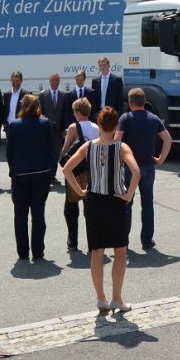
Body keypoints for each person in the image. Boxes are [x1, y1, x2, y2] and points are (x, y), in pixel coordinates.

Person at [62, 107, 140, 315]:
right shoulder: (122, 147)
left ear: (99, 123)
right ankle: (117, 298)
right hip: (115, 201)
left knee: (97, 252)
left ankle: (101, 298)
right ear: (115, 126)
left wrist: (80, 191)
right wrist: (129, 194)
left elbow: (66, 169)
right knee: (120, 251)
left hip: (94, 201)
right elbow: (136, 172)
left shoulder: (88, 147)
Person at [115, 88, 172, 249]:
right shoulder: (153, 118)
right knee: (147, 203)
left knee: (126, 202)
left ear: (130, 103)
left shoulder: (126, 118)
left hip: (129, 166)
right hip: (148, 166)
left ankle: (123, 240)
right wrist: (160, 159)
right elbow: (168, 139)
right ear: (144, 102)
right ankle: (147, 240)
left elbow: (117, 140)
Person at [6, 94, 56, 261]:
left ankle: (23, 252)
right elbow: (51, 148)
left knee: (20, 215)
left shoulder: (13, 125)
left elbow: (9, 152)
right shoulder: (45, 123)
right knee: (38, 213)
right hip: (41, 173)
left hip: (20, 174)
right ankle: (38, 251)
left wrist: (14, 168)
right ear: (37, 106)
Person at [59, 98, 98, 252]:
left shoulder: (73, 128)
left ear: (78, 113)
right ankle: (92, 241)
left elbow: (65, 149)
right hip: (91, 170)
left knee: (71, 207)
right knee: (90, 208)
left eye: (75, 111)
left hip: (75, 170)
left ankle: (73, 241)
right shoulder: (96, 127)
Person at [39, 73, 72, 142]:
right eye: (52, 80)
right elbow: (39, 112)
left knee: (58, 151)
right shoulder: (42, 95)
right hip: (46, 129)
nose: (54, 82)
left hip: (59, 131)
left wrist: (66, 128)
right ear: (49, 81)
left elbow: (65, 114)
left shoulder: (63, 95)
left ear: (59, 81)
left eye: (56, 80)